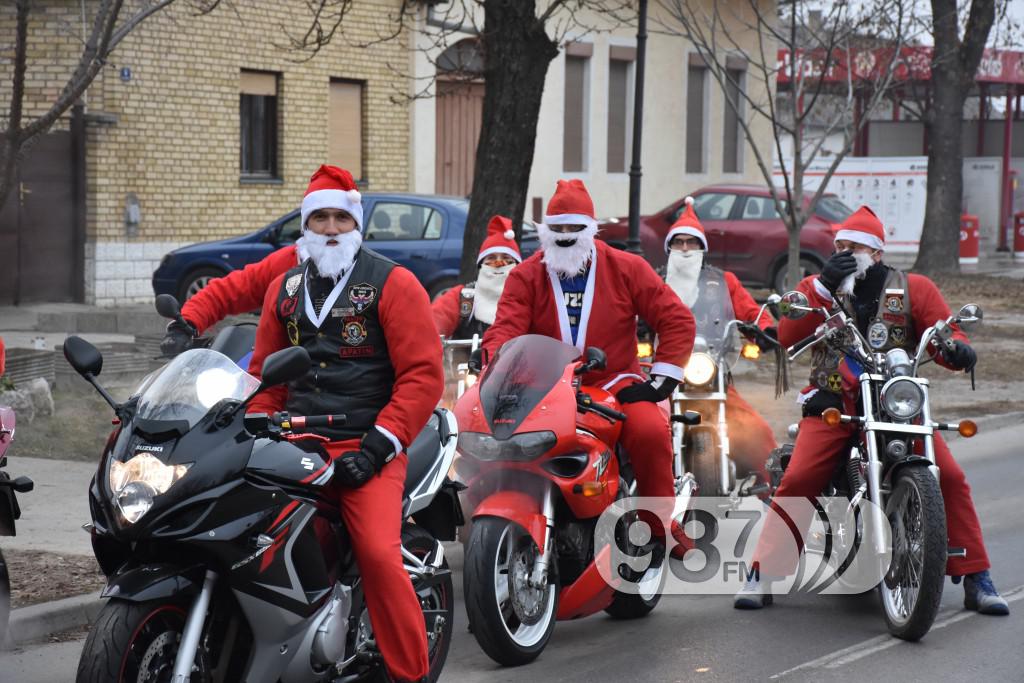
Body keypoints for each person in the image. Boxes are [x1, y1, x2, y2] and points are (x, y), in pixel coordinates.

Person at [734, 206, 1009, 616]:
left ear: (876, 253)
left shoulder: (912, 287)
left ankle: (977, 576)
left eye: (855, 247)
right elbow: (787, 333)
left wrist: (956, 347)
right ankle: (763, 571)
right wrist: (823, 287)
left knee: (949, 476)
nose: (845, 253)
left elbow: (942, 331)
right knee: (801, 475)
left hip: (895, 404)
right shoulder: (818, 287)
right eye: (839, 246)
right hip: (834, 403)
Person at [247, 165, 443, 682]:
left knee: (378, 554)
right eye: (319, 219)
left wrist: (379, 447)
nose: (330, 228)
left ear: (355, 223)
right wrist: (248, 423)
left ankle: (410, 674)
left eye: (339, 217)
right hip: (291, 446)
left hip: (366, 447)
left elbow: (423, 377)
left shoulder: (393, 284)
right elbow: (262, 377)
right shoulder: (283, 289)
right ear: (304, 227)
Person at [482, 179, 695, 557]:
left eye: (574, 228)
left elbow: (676, 319)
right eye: (557, 228)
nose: (565, 236)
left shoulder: (627, 267)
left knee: (648, 432)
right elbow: (506, 329)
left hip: (615, 384)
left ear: (591, 229)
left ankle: (661, 522)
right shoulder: (526, 275)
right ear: (546, 231)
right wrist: (495, 365)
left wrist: (659, 383)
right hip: (544, 388)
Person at [663, 198, 778, 484]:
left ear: (703, 248)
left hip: (713, 375)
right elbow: (634, 312)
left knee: (757, 432)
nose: (686, 249)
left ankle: (768, 490)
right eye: (679, 243)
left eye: (693, 242)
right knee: (641, 430)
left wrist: (765, 328)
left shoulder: (723, 281)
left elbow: (749, 311)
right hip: (664, 380)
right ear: (670, 248)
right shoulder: (655, 281)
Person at [432, 215, 521, 339]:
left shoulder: (527, 299)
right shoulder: (462, 298)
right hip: (468, 358)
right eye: (491, 258)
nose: (499, 264)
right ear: (480, 266)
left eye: (506, 259)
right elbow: (432, 326)